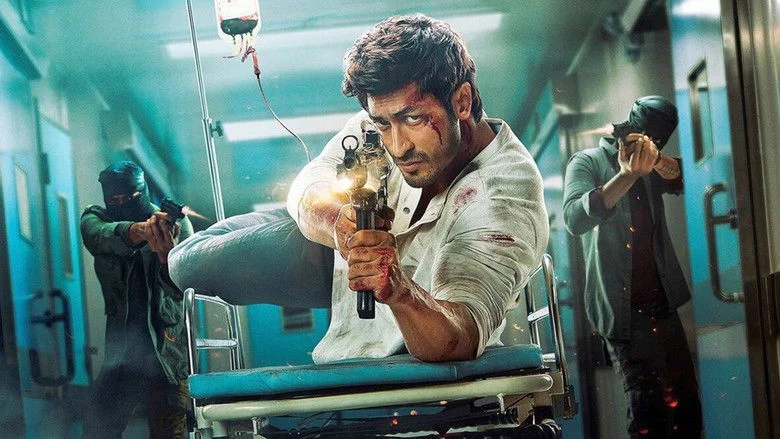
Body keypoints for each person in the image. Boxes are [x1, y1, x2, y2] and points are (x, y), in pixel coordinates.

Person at [169, 14, 549, 363]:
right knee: (188, 257)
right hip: (333, 246)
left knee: (188, 265)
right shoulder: (380, 122)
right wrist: (337, 224)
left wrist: (399, 290)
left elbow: (458, 337)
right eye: (383, 124)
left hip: (386, 297)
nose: (397, 146)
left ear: (461, 101)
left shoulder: (505, 196)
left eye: (413, 119)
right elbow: (309, 182)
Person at [562, 96, 702, 438]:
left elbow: (685, 176)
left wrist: (656, 159)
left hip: (664, 306)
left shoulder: (653, 163)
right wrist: (627, 176)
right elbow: (574, 218)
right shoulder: (588, 162)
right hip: (622, 311)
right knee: (648, 414)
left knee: (687, 410)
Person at [80, 161, 193, 438]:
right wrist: (141, 231)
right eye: (114, 200)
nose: (122, 204)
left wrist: (166, 255)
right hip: (122, 353)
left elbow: (184, 286)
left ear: (141, 192)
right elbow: (98, 236)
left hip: (166, 352)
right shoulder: (96, 218)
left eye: (129, 198)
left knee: (170, 431)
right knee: (98, 429)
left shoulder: (176, 224)